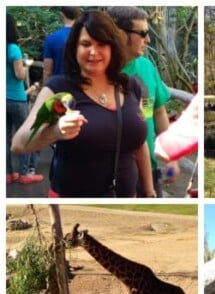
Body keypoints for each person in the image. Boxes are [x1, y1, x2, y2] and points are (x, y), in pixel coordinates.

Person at [11, 10, 155, 198]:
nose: (93, 52)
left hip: (126, 197)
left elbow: (140, 141)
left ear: (113, 48)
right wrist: (55, 132)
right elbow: (18, 144)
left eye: (102, 44)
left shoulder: (132, 85)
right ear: (75, 49)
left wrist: (150, 191)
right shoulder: (58, 89)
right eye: (86, 44)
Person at [107, 6, 180, 197]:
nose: (148, 40)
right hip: (111, 172)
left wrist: (171, 157)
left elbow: (157, 112)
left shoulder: (147, 67)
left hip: (148, 169)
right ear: (120, 34)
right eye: (143, 33)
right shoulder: (99, 70)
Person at [6, 13, 44, 186]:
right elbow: (19, 75)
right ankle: (24, 173)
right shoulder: (13, 49)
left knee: (5, 138)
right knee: (28, 135)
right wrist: (25, 66)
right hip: (17, 99)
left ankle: (7, 174)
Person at [43, 7, 82, 81]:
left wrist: (46, 89)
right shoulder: (84, 36)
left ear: (61, 15)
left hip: (58, 87)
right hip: (81, 86)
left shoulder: (51, 38)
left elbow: (47, 72)